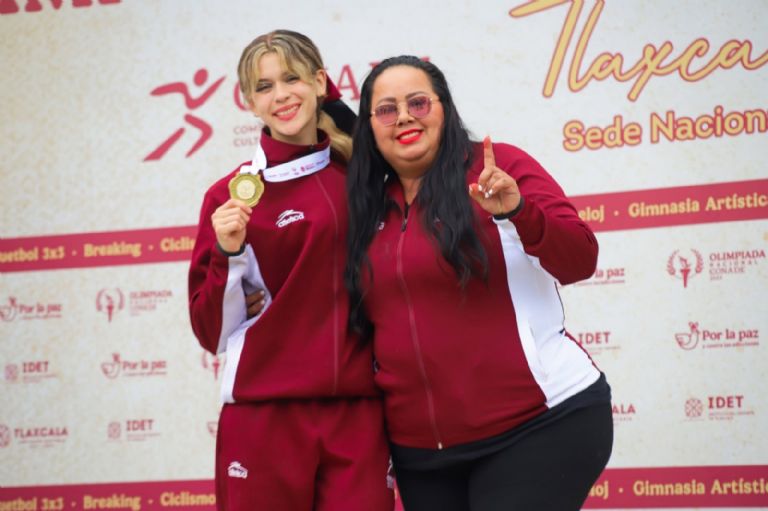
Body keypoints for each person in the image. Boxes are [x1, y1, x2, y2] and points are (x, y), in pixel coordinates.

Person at [345, 55, 613, 511]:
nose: (404, 117)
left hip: (538, 425)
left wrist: (519, 211)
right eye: (386, 110)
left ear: (444, 108)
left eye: (418, 103)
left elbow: (580, 260)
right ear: (369, 127)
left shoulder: (498, 167)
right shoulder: (365, 204)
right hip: (421, 454)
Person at [188, 30, 393, 511]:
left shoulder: (364, 180)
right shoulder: (229, 197)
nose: (280, 95)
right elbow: (210, 331)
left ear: (320, 82)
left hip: (358, 414)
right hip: (265, 415)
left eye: (292, 78)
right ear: (250, 102)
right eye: (264, 87)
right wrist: (227, 254)